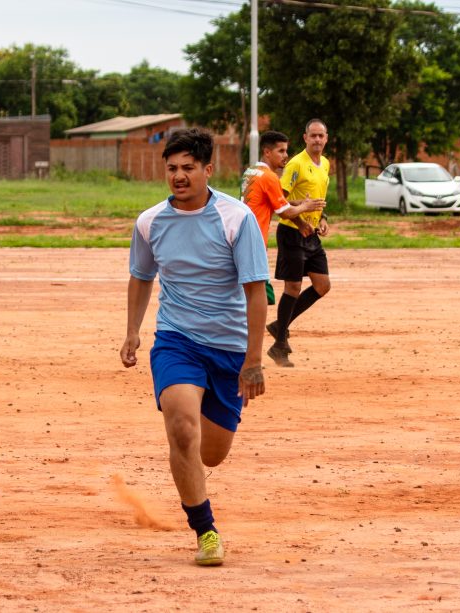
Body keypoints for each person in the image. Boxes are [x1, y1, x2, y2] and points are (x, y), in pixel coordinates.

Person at [119, 128, 268, 566]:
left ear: (208, 169)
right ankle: (205, 531)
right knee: (182, 427)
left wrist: (254, 361)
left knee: (211, 454)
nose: (179, 176)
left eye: (188, 168)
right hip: (176, 341)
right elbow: (141, 277)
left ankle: (196, 463)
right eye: (172, 169)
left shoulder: (236, 219)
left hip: (229, 349)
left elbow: (256, 292)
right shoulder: (149, 222)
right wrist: (132, 331)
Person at [265, 119, 332, 368]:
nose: (316, 140)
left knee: (322, 285)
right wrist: (302, 219)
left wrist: (322, 217)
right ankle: (280, 345)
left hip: (311, 234)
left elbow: (319, 199)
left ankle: (279, 325)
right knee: (292, 288)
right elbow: (280, 199)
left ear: (326, 138)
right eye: (312, 135)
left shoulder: (325, 163)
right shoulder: (295, 163)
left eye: (320, 136)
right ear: (305, 138)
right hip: (292, 232)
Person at [241, 130, 326, 307]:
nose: (285, 156)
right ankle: (250, 332)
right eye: (281, 151)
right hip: (254, 240)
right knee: (259, 295)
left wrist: (299, 204)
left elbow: (276, 201)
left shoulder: (251, 172)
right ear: (267, 152)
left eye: (286, 151)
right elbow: (285, 212)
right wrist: (305, 207)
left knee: (252, 290)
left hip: (244, 238)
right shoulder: (270, 177)